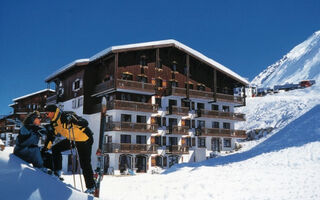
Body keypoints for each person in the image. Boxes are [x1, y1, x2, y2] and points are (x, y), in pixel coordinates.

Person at [44, 104, 96, 194]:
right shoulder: (54, 123)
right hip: (73, 139)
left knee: (84, 163)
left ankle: (91, 187)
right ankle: (57, 172)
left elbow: (84, 122)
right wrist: (45, 148)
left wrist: (74, 121)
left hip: (84, 138)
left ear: (52, 112)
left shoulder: (66, 115)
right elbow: (50, 137)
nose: (46, 115)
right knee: (56, 149)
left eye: (47, 113)